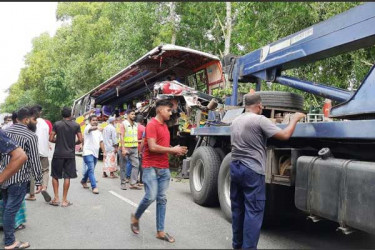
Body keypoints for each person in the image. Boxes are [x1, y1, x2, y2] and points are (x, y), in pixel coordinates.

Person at [230, 93, 305, 249]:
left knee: (238, 208)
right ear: (258, 106)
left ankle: (237, 245)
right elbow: (284, 135)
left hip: (235, 167)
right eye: (261, 106)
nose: (262, 108)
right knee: (254, 211)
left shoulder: (235, 120)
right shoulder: (259, 120)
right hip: (251, 170)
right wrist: (294, 119)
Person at [130, 99, 188, 243]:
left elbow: (163, 145)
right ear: (160, 110)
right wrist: (171, 149)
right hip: (150, 167)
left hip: (164, 168)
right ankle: (136, 217)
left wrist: (175, 151)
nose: (171, 113)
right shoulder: (151, 125)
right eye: (169, 110)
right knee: (151, 196)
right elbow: (153, 147)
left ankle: (160, 232)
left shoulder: (165, 127)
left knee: (162, 199)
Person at [1, 107, 43, 249]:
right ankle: (10, 242)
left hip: (4, 176)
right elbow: (35, 160)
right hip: (18, 179)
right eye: (33, 119)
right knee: (11, 210)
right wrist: (39, 180)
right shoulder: (30, 135)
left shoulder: (5, 132)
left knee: (7, 208)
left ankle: (9, 238)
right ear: (26, 119)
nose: (35, 122)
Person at [49, 107, 83, 207]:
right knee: (67, 176)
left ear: (62, 114)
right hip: (70, 155)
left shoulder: (57, 124)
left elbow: (51, 138)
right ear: (71, 114)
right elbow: (80, 139)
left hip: (58, 154)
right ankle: (64, 201)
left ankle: (56, 198)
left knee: (55, 175)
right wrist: (73, 143)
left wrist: (58, 141)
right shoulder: (76, 125)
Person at [26, 105, 51, 202]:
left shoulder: (28, 121)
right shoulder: (46, 123)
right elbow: (49, 135)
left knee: (32, 171)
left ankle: (32, 195)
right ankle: (44, 187)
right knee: (45, 170)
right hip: (44, 150)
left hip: (32, 150)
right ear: (40, 112)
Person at [80, 115, 105, 194]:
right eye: (93, 120)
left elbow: (101, 141)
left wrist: (104, 151)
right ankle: (94, 187)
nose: (95, 121)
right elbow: (91, 129)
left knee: (90, 169)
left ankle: (83, 181)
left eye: (96, 120)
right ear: (90, 121)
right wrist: (97, 128)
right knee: (91, 169)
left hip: (95, 153)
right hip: (87, 152)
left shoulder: (98, 131)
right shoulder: (88, 127)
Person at [119, 110, 141, 190]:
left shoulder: (136, 125)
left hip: (134, 147)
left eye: (134, 114)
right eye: (132, 114)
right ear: (128, 115)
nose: (134, 115)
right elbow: (121, 136)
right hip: (125, 148)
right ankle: (123, 183)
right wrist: (123, 149)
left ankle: (133, 183)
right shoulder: (123, 124)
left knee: (136, 165)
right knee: (123, 166)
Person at [136, 114, 145, 185]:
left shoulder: (132, 127)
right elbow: (144, 140)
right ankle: (141, 180)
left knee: (134, 164)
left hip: (132, 146)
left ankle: (133, 179)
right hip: (140, 147)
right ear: (142, 121)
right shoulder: (143, 128)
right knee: (141, 164)